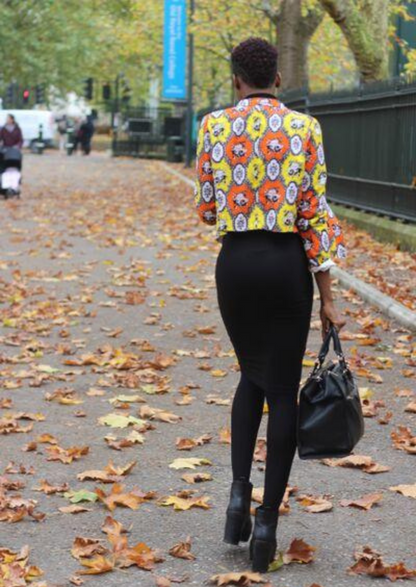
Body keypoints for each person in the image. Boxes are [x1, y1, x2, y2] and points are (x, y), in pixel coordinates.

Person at [194, 37, 347, 573]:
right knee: (280, 390)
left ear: (236, 80)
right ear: (278, 79)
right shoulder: (306, 129)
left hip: (235, 265)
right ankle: (265, 525)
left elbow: (207, 209)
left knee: (249, 375)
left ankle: (237, 495)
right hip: (286, 267)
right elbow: (315, 215)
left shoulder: (213, 126)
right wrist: (327, 299)